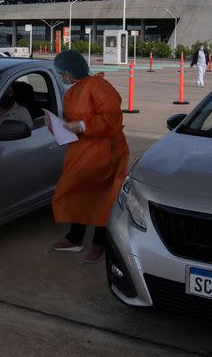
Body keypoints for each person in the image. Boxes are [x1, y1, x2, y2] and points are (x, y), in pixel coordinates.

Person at [48, 50, 130, 263]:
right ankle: (75, 238)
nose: (60, 77)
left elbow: (112, 118)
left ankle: (99, 243)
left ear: (68, 72)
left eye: (60, 73)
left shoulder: (98, 86)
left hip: (106, 150)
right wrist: (56, 127)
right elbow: (71, 124)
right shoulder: (72, 92)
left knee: (104, 197)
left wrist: (84, 125)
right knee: (77, 193)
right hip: (81, 150)